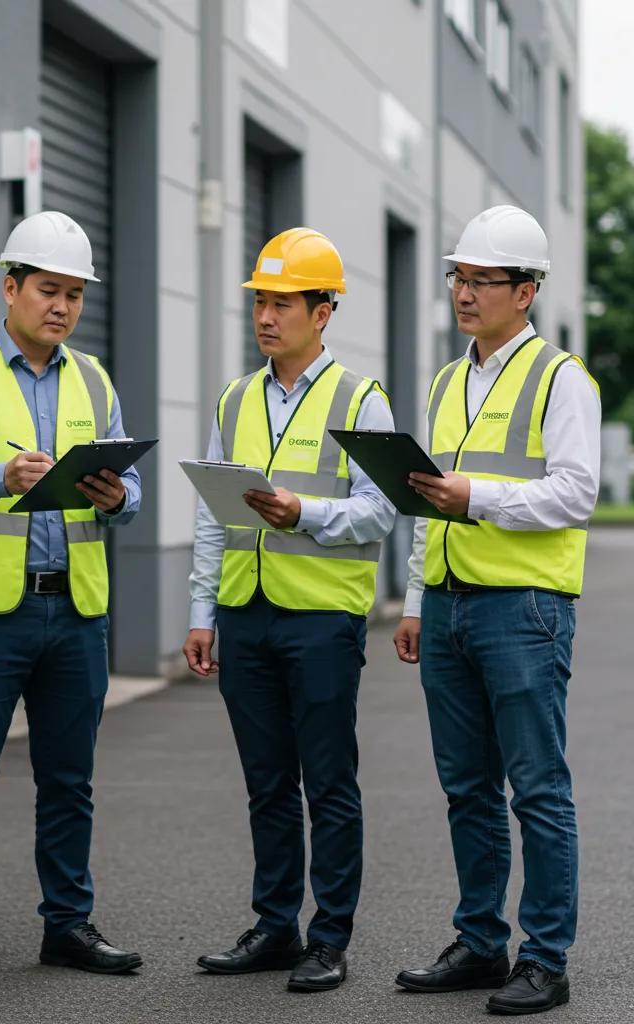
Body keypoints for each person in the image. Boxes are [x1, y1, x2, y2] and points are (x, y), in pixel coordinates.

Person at [0, 210, 143, 983]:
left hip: (73, 612)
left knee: (69, 782)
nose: (63, 307)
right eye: (49, 290)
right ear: (10, 287)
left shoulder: (95, 379)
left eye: (75, 294)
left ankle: (67, 924)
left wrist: (115, 496)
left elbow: (130, 492)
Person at [393, 205, 600, 1016]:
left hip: (525, 611)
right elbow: (428, 499)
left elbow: (576, 492)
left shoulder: (561, 379)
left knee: (538, 789)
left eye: (482, 279)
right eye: (458, 275)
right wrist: (413, 599)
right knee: (467, 789)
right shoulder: (449, 380)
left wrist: (477, 497)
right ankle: (481, 943)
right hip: (448, 609)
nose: (464, 291)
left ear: (527, 290)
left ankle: (544, 959)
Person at [184, 228, 395, 993]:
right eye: (260, 303)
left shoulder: (361, 400)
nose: (266, 317)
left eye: (282, 303)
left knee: (328, 783)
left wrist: (302, 511)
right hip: (245, 612)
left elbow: (381, 511)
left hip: (320, 619)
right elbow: (212, 514)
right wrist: (200, 612)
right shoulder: (236, 398)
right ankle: (275, 927)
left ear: (324, 310)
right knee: (266, 782)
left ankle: (328, 937)